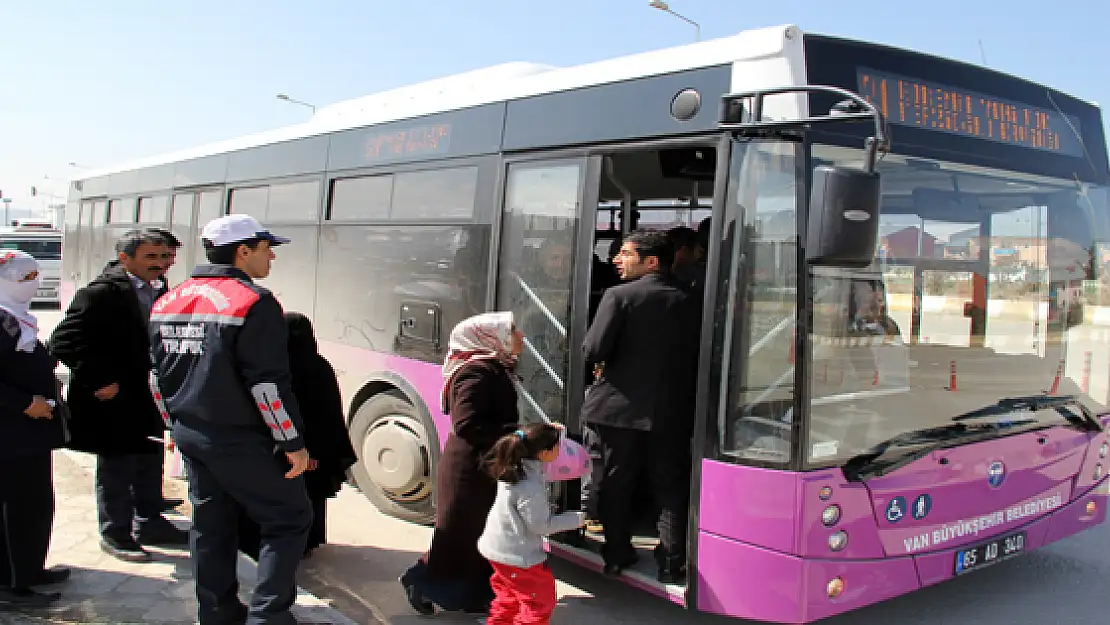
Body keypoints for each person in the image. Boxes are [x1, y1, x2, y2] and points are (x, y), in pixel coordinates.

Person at [149, 214, 313, 625]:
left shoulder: (169, 299)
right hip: (240, 439)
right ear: (243, 251)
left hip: (191, 433)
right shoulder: (253, 301)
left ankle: (216, 612)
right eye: (265, 248)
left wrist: (173, 427)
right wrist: (293, 443)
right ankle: (269, 616)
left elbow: (156, 378)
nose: (271, 256)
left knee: (210, 523)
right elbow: (268, 387)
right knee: (289, 517)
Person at [49, 230, 188, 564]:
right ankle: (116, 533)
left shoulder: (159, 288)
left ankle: (150, 523)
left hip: (146, 394)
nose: (160, 265)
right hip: (113, 399)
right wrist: (99, 379)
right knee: (117, 468)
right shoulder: (100, 294)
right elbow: (63, 341)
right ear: (126, 258)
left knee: (149, 457)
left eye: (164, 257)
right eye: (151, 257)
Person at [580, 230, 700, 583]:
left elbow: (593, 351)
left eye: (625, 254)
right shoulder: (690, 299)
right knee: (669, 486)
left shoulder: (619, 296)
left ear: (651, 261)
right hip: (672, 411)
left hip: (617, 410)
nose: (616, 260)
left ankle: (617, 553)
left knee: (617, 482)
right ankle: (671, 560)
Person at [400, 312, 525, 616]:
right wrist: (517, 437)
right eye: (512, 331)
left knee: (476, 533)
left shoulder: (495, 367)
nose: (521, 337)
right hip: (468, 469)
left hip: (484, 465)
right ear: (489, 337)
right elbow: (467, 423)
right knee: (459, 535)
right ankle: (421, 581)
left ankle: (470, 596)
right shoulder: (476, 372)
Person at [237, 312, 357, 561]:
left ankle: (276, 546)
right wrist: (319, 453)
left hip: (285, 447)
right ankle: (307, 542)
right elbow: (329, 415)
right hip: (313, 450)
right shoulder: (320, 366)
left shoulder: (274, 369)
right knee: (308, 497)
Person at [0, 250, 70, 607]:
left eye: (34, 276)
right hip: (10, 433)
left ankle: (29, 569)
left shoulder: (18, 318)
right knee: (14, 509)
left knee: (34, 504)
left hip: (29, 435)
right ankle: (11, 586)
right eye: (24, 278)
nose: (33, 284)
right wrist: (24, 403)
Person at [477, 422, 586, 625]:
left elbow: (538, 438)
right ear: (544, 453)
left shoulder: (515, 466)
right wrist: (576, 519)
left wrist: (555, 431)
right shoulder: (530, 488)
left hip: (497, 548)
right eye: (557, 447)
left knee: (507, 598)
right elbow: (541, 526)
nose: (561, 450)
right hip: (517, 556)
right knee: (539, 603)